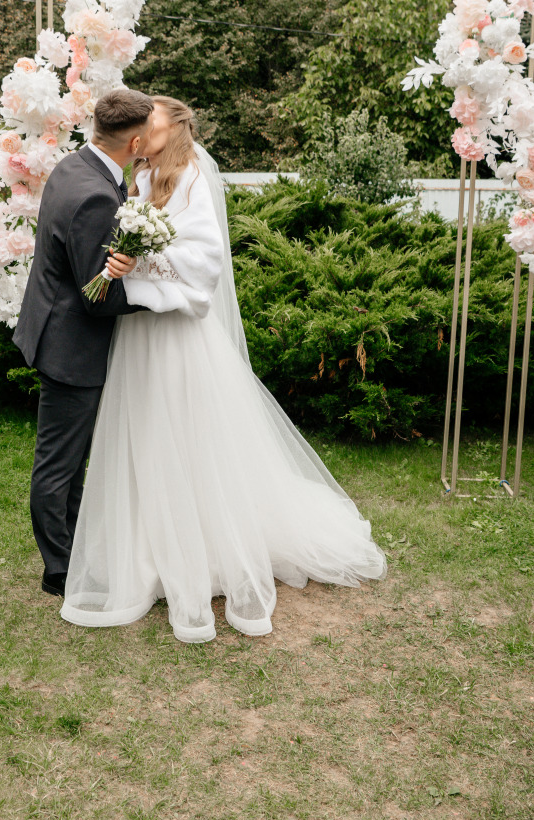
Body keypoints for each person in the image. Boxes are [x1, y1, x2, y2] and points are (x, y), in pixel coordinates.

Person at [60, 96, 387, 642]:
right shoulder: (140, 176)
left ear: (172, 129)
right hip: (139, 332)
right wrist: (121, 262)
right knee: (145, 434)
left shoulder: (190, 177)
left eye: (151, 122)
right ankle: (146, 550)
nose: (142, 130)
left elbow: (205, 261)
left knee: (187, 437)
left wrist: (142, 260)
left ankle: (209, 551)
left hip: (178, 335)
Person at [13, 88, 153, 598]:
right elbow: (100, 296)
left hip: (54, 327)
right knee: (59, 464)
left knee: (68, 460)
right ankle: (58, 569)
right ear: (135, 143)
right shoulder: (96, 195)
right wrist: (162, 299)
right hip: (71, 346)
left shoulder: (75, 166)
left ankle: (71, 551)